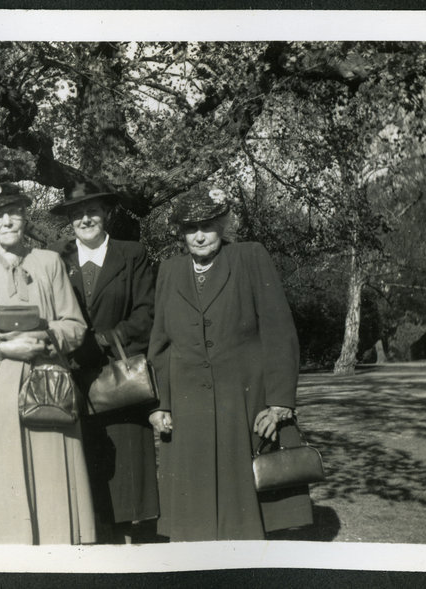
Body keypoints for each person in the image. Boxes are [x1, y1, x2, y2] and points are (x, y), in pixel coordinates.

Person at [147, 184, 313, 542]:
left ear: (222, 226)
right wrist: (161, 404)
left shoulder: (250, 257)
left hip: (242, 402)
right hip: (189, 409)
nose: (200, 235)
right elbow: (160, 343)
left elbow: (279, 331)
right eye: (190, 228)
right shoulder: (169, 271)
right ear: (181, 233)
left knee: (243, 508)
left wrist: (280, 402)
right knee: (193, 511)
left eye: (207, 225)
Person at [0, 183, 95, 545]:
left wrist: (46, 339)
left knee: (52, 483)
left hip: (48, 387)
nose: (7, 222)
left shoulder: (48, 262)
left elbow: (75, 325)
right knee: (0, 486)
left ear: (25, 216)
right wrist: (4, 350)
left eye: (13, 212)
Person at [48, 181, 159, 544]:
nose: (85, 218)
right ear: (69, 220)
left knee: (127, 466)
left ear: (106, 214)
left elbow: (147, 311)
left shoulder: (132, 254)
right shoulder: (56, 259)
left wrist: (106, 339)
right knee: (86, 468)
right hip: (76, 377)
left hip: (120, 375)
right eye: (77, 213)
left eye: (92, 211)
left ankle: (131, 544)